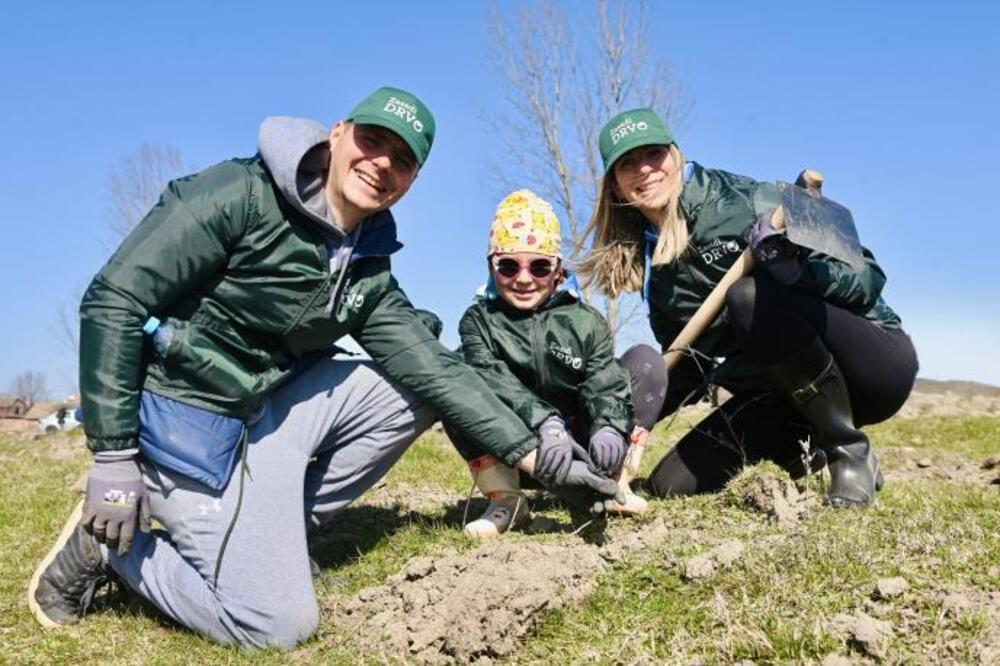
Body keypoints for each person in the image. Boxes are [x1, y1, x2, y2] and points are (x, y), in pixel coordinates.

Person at [27, 87, 621, 649]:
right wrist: (112, 454)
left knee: (412, 385)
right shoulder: (235, 195)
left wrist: (538, 454)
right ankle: (113, 550)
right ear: (337, 135)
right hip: (187, 430)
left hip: (261, 417)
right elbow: (114, 300)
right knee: (276, 625)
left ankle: (277, 532)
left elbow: (436, 370)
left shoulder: (366, 266)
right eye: (372, 141)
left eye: (403, 160)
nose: (382, 163)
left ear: (413, 180)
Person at [578, 108, 918, 508]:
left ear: (675, 155)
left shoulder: (750, 200)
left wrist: (796, 273)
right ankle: (815, 445)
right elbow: (687, 365)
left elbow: (868, 276)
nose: (645, 170)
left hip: (873, 364)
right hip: (786, 394)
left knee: (748, 296)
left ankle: (848, 452)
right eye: (628, 163)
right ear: (615, 185)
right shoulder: (657, 272)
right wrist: (620, 418)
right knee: (671, 483)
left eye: (654, 154)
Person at [449, 190, 667, 538]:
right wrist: (545, 425)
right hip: (519, 452)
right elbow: (492, 380)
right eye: (508, 266)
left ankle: (613, 484)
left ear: (557, 271)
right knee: (454, 379)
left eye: (538, 266)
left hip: (583, 447)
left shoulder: (586, 321)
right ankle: (506, 499)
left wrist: (609, 426)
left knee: (646, 362)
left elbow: (604, 380)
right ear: (491, 266)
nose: (523, 278)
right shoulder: (477, 322)